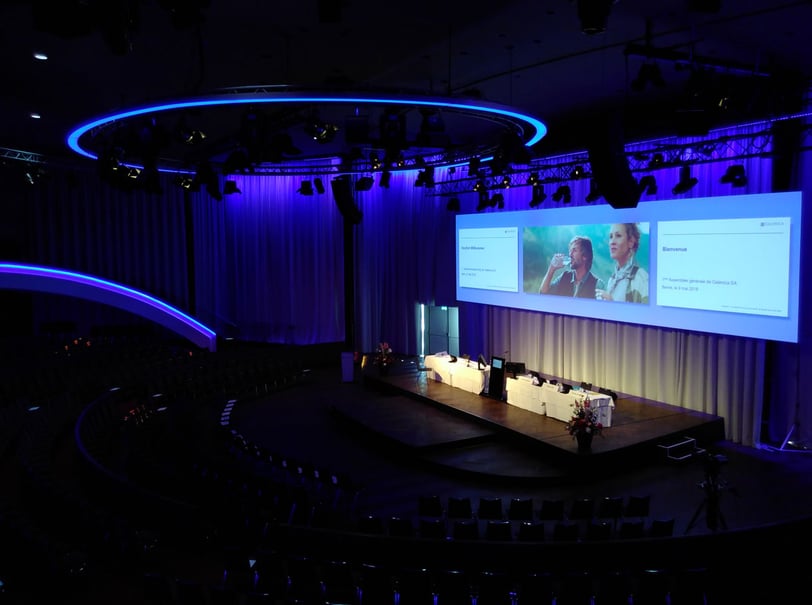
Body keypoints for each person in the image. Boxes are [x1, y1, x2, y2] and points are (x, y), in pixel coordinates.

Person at [595, 223, 649, 303]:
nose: (612, 242)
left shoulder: (641, 278)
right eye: (611, 237)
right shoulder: (612, 279)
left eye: (618, 236)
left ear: (631, 242)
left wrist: (612, 304)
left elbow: (646, 314)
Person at [539, 235, 604, 298]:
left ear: (585, 256)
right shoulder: (564, 277)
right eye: (570, 251)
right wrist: (551, 268)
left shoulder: (597, 284)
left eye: (574, 250)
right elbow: (543, 293)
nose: (570, 254)